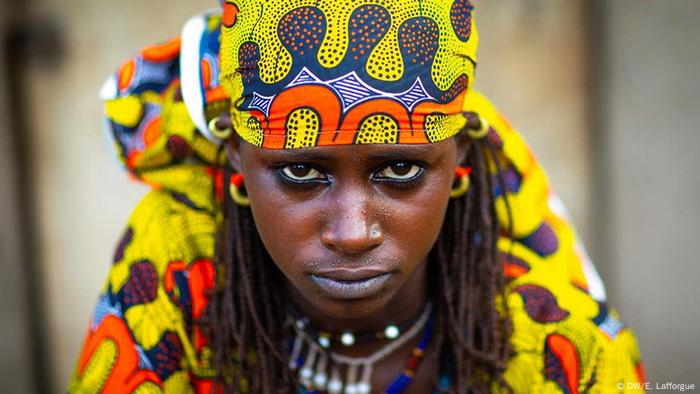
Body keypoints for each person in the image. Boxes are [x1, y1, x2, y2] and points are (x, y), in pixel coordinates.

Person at [69, 1, 644, 393]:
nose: (350, 232)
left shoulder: (552, 339)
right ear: (236, 160)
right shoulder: (173, 276)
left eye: (399, 168)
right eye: (299, 171)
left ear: (459, 158)